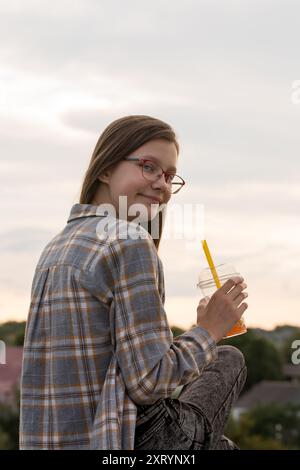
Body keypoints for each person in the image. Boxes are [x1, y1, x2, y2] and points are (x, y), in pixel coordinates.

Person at [19, 115, 248, 450]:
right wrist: (209, 330)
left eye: (170, 176)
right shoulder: (129, 241)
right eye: (149, 166)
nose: (162, 184)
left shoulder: (57, 247)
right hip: (128, 439)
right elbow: (150, 382)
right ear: (106, 168)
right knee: (229, 358)